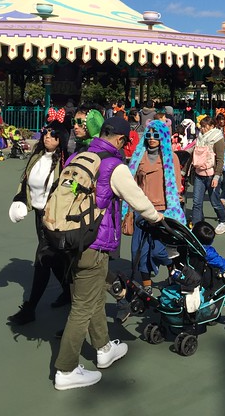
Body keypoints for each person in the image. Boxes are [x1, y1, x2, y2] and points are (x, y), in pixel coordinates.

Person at [53, 117, 164, 391]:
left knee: (91, 297)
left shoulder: (79, 157)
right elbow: (137, 199)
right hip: (95, 242)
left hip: (70, 238)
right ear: (121, 140)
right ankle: (66, 370)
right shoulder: (115, 166)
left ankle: (103, 348)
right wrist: (156, 218)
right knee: (82, 306)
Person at [6, 121, 72, 325]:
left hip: (56, 218)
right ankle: (70, 293)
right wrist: (19, 200)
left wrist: (73, 188)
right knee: (55, 259)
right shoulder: (36, 156)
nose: (47, 137)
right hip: (39, 215)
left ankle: (30, 307)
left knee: (43, 259)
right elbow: (25, 181)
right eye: (45, 133)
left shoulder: (67, 162)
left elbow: (74, 186)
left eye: (53, 135)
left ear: (61, 139)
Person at [122, 119, 184, 295]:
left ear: (163, 137)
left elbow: (176, 184)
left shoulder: (171, 157)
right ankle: (146, 283)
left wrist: (173, 210)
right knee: (138, 251)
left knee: (160, 250)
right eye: (149, 135)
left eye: (156, 135)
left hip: (162, 211)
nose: (151, 138)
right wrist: (129, 210)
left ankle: (174, 272)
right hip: (141, 210)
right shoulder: (138, 157)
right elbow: (131, 185)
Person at [190, 116, 225, 233]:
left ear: (212, 126)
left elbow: (220, 159)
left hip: (212, 174)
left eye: (205, 126)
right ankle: (196, 227)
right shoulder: (199, 137)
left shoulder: (217, 138)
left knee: (214, 201)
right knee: (197, 202)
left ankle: (223, 221)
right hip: (199, 173)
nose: (202, 129)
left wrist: (217, 176)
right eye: (201, 126)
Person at [191, 220, 225, 307]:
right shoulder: (209, 253)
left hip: (190, 276)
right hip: (206, 280)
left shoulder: (186, 246)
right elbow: (223, 265)